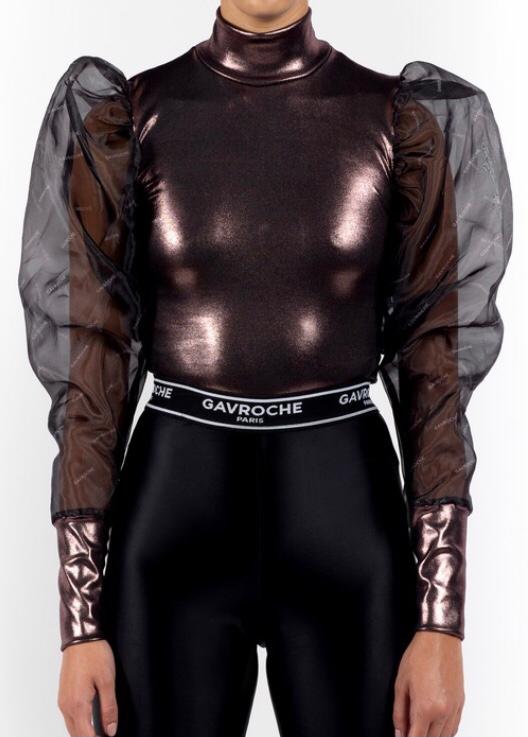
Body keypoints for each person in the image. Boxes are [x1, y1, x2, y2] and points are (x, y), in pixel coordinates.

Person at [18, 1, 512, 736]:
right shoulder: (128, 119)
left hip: (342, 518)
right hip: (176, 523)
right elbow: (92, 369)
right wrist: (80, 623)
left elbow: (434, 369)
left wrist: (442, 619)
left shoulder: (399, 121)